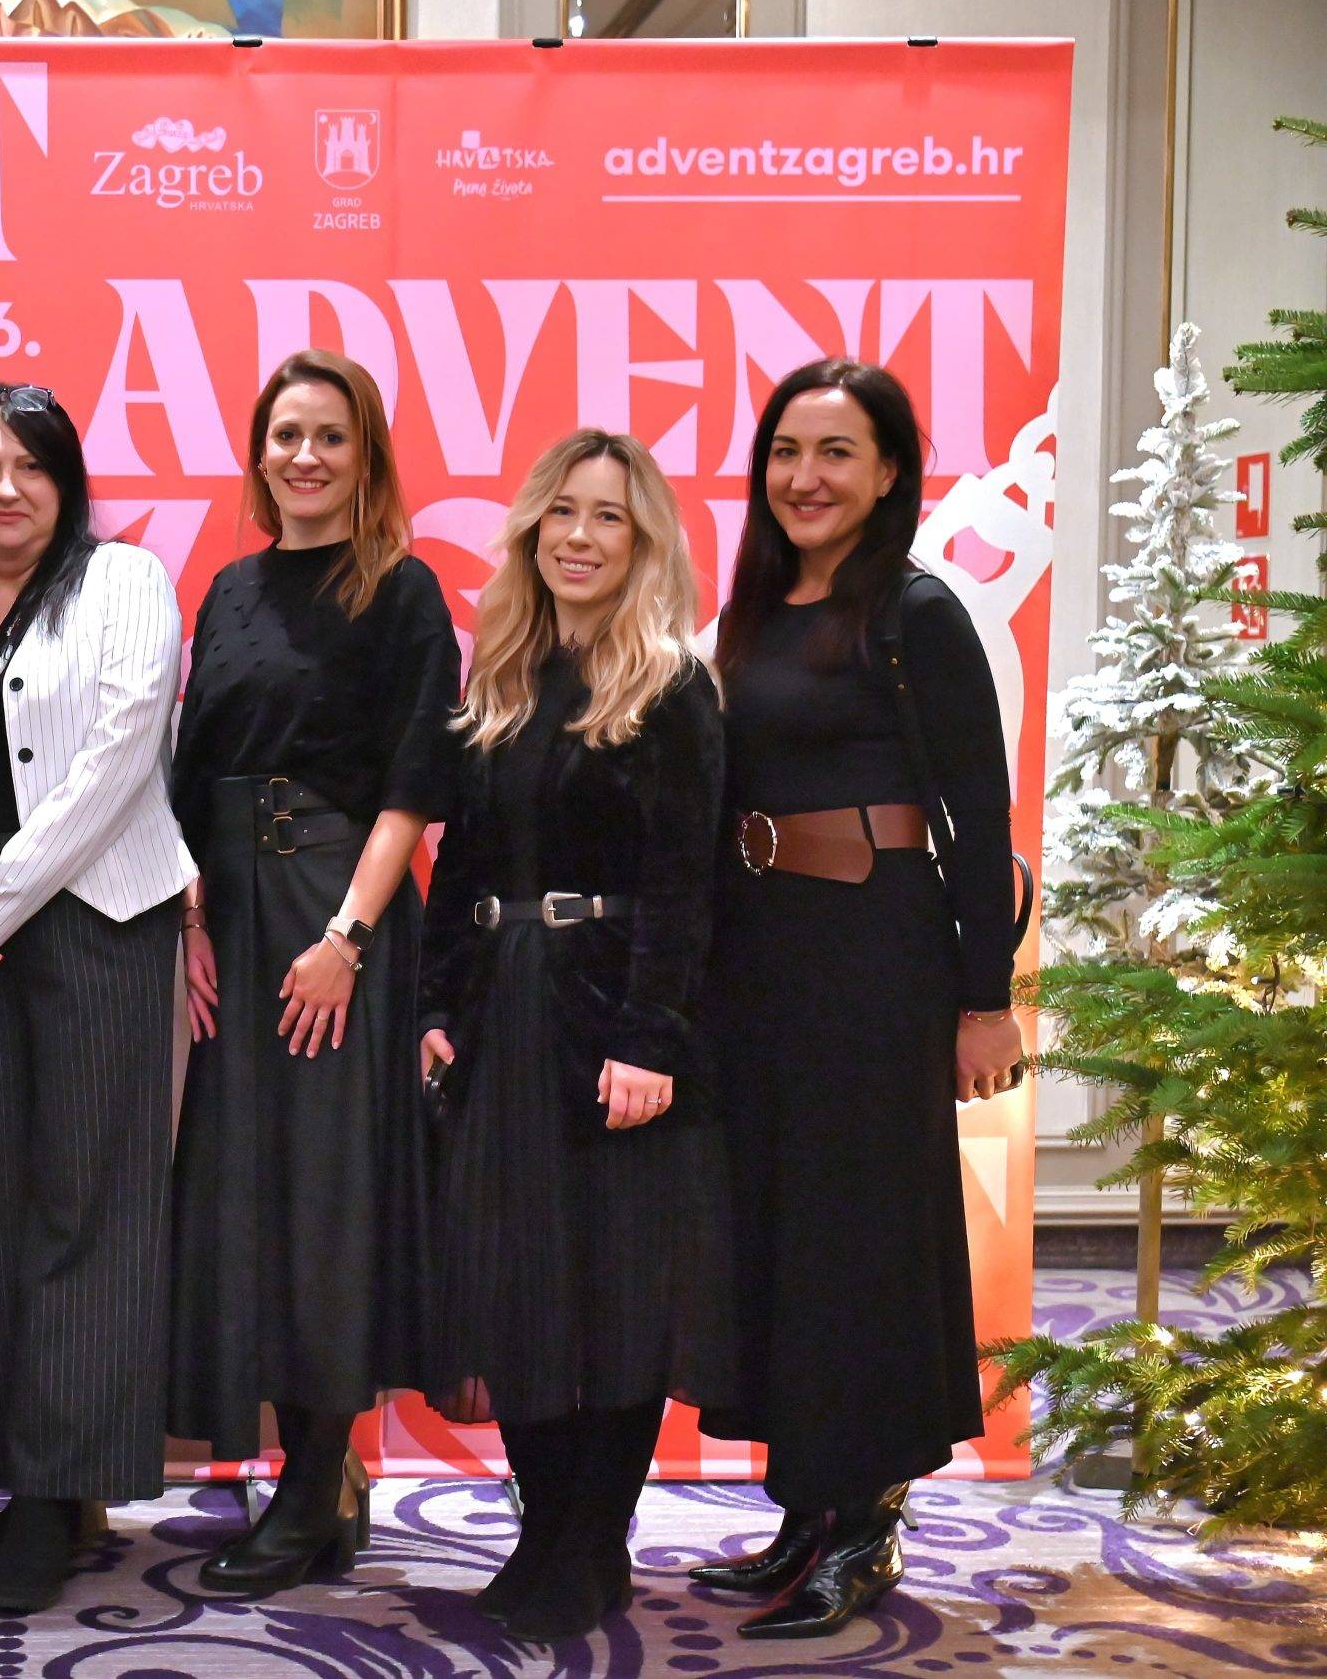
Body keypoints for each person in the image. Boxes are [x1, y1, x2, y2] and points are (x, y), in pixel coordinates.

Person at [693, 359, 1023, 1639]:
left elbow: (977, 812)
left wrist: (983, 1000)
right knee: (779, 1233)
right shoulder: (753, 611)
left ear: (889, 471)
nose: (804, 476)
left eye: (835, 452)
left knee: (863, 1240)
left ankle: (866, 1518)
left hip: (874, 958)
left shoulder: (916, 610)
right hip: (759, 958)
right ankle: (805, 1504)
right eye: (785, 450)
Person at [0, 383, 195, 1614]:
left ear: (66, 482)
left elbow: (116, 759)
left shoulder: (123, 582)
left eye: (31, 465)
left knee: (89, 1206)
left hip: (95, 927)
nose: (5, 488)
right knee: (8, 1207)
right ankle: (37, 1475)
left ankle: (63, 1491)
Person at [415, 429, 734, 1643]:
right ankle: (543, 1531)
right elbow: (461, 864)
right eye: (561, 512)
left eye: (607, 515)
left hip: (612, 1016)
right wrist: (435, 1004)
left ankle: (592, 1541)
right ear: (530, 531)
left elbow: (686, 883)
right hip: (501, 1012)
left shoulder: (671, 687)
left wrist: (651, 1036)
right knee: (517, 1286)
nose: (580, 536)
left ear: (643, 541)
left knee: (615, 1293)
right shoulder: (501, 676)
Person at [167, 348, 462, 1596]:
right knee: (250, 1197)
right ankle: (315, 1481)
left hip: (334, 918)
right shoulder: (228, 590)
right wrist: (190, 914)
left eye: (329, 436)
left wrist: (345, 937)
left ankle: (311, 1486)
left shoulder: (401, 589)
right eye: (285, 434)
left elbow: (412, 782)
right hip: (232, 920)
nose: (304, 455)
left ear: (365, 456)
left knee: (326, 1203)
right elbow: (192, 768)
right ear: (257, 452)